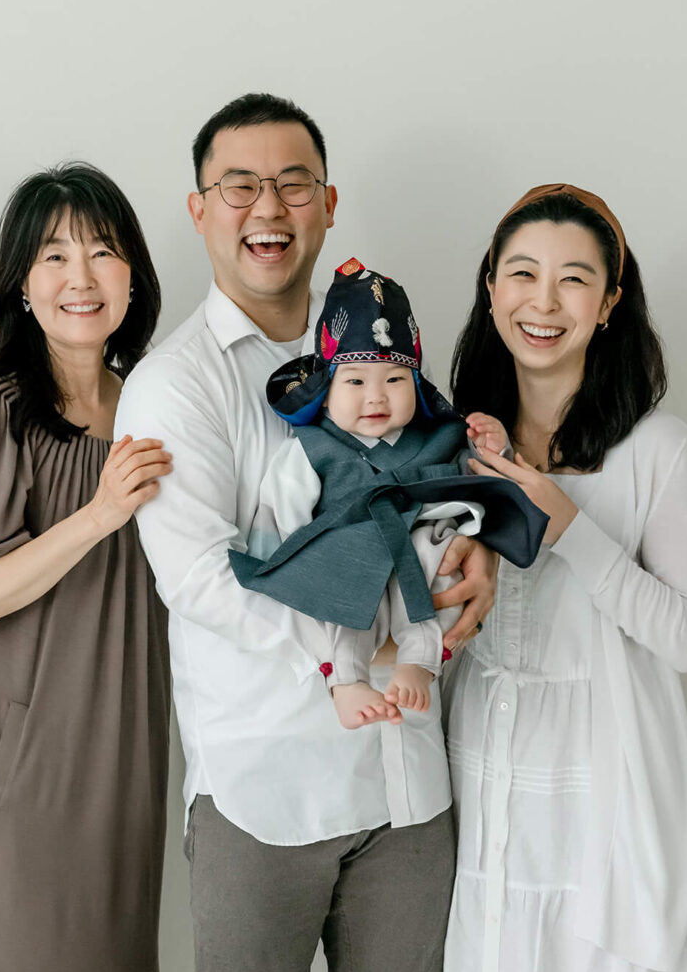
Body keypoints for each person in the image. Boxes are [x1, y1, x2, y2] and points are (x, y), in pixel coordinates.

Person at [115, 92, 499, 972]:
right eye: (239, 185)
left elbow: (437, 498)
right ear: (200, 210)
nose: (268, 207)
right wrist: (354, 655)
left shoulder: (386, 356)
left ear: (328, 203)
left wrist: (472, 554)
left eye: (292, 183)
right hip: (264, 789)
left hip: (408, 784)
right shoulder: (177, 383)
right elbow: (200, 578)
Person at [436, 184, 687, 972]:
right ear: (491, 290)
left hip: (605, 784)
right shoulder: (455, 442)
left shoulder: (657, 451)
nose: (544, 301)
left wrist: (566, 524)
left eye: (573, 280)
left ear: (609, 303)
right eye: (523, 273)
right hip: (486, 765)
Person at [0, 162, 173, 972]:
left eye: (102, 252)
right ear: (22, 284)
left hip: (125, 753)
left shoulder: (153, 405)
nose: (80, 276)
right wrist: (101, 511)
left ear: (132, 274)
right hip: (22, 773)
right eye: (55, 255)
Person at [228, 257, 548, 730]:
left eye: (394, 380)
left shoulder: (437, 436)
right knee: (342, 595)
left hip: (417, 541)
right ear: (326, 390)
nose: (376, 397)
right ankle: (346, 679)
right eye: (355, 382)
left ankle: (420, 659)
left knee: (436, 555)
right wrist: (301, 560)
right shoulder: (313, 446)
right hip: (347, 545)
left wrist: (492, 442)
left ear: (415, 384)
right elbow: (283, 502)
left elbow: (477, 475)